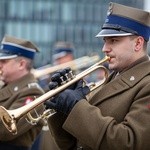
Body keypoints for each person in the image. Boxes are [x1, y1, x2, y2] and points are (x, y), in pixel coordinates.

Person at [44, 2, 150, 150]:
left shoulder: (146, 84)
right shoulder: (110, 79)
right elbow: (71, 144)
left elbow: (129, 143)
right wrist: (62, 109)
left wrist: (77, 107)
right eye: (105, 41)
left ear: (138, 43)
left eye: (113, 40)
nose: (104, 49)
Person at [0, 35, 45, 150]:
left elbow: (6, 131)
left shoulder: (33, 93)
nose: (0, 65)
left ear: (21, 64)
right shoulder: (5, 86)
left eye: (4, 61)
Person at [39, 41, 75, 150]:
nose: (57, 61)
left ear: (70, 57)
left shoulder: (77, 76)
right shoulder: (50, 76)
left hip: (68, 130)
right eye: (56, 58)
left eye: (60, 58)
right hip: (50, 132)